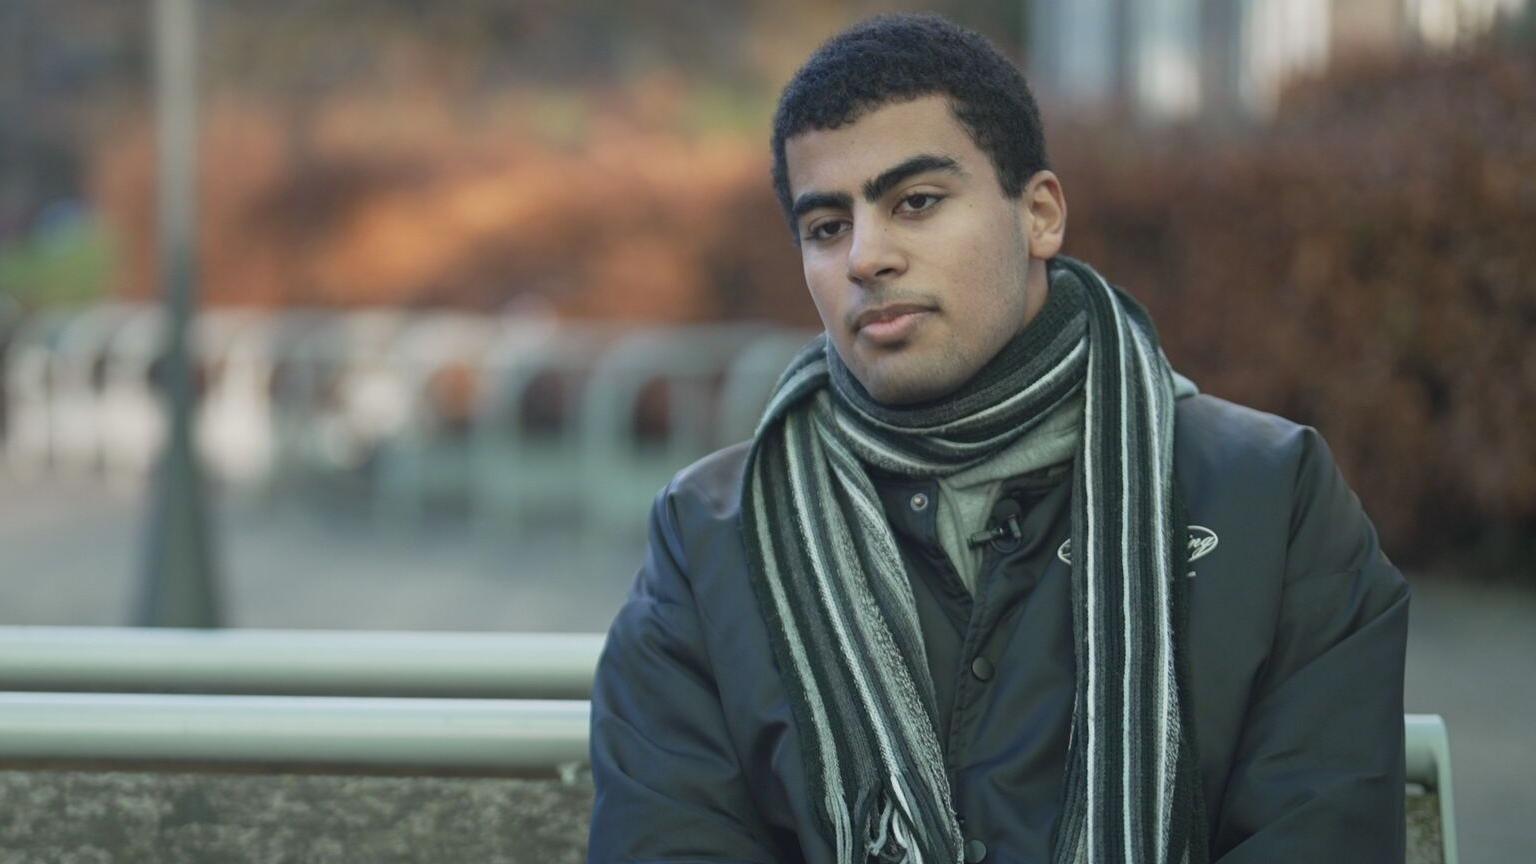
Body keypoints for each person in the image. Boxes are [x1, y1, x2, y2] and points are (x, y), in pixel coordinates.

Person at [588, 13, 1408, 864]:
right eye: (827, 226)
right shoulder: (711, 536)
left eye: (917, 202)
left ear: (1041, 215)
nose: (867, 256)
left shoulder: (1270, 502)